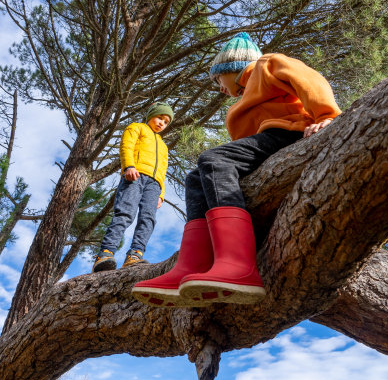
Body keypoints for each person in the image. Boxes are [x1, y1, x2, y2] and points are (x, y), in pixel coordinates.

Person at [132, 33, 341, 306]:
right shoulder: (242, 101)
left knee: (213, 159)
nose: (219, 87)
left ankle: (238, 265)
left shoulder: (266, 66)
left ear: (231, 67)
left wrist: (326, 116)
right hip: (266, 148)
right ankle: (190, 268)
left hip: (289, 133)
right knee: (196, 177)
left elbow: (309, 81)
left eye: (218, 79)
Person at [92, 102, 174, 273]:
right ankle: (105, 254)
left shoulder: (164, 146)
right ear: (151, 114)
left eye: (166, 122)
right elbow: (126, 146)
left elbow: (163, 170)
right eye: (160, 117)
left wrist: (162, 194)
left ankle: (135, 255)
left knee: (148, 218)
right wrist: (129, 166)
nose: (162, 123)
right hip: (135, 175)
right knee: (125, 213)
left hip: (154, 185)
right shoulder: (137, 127)